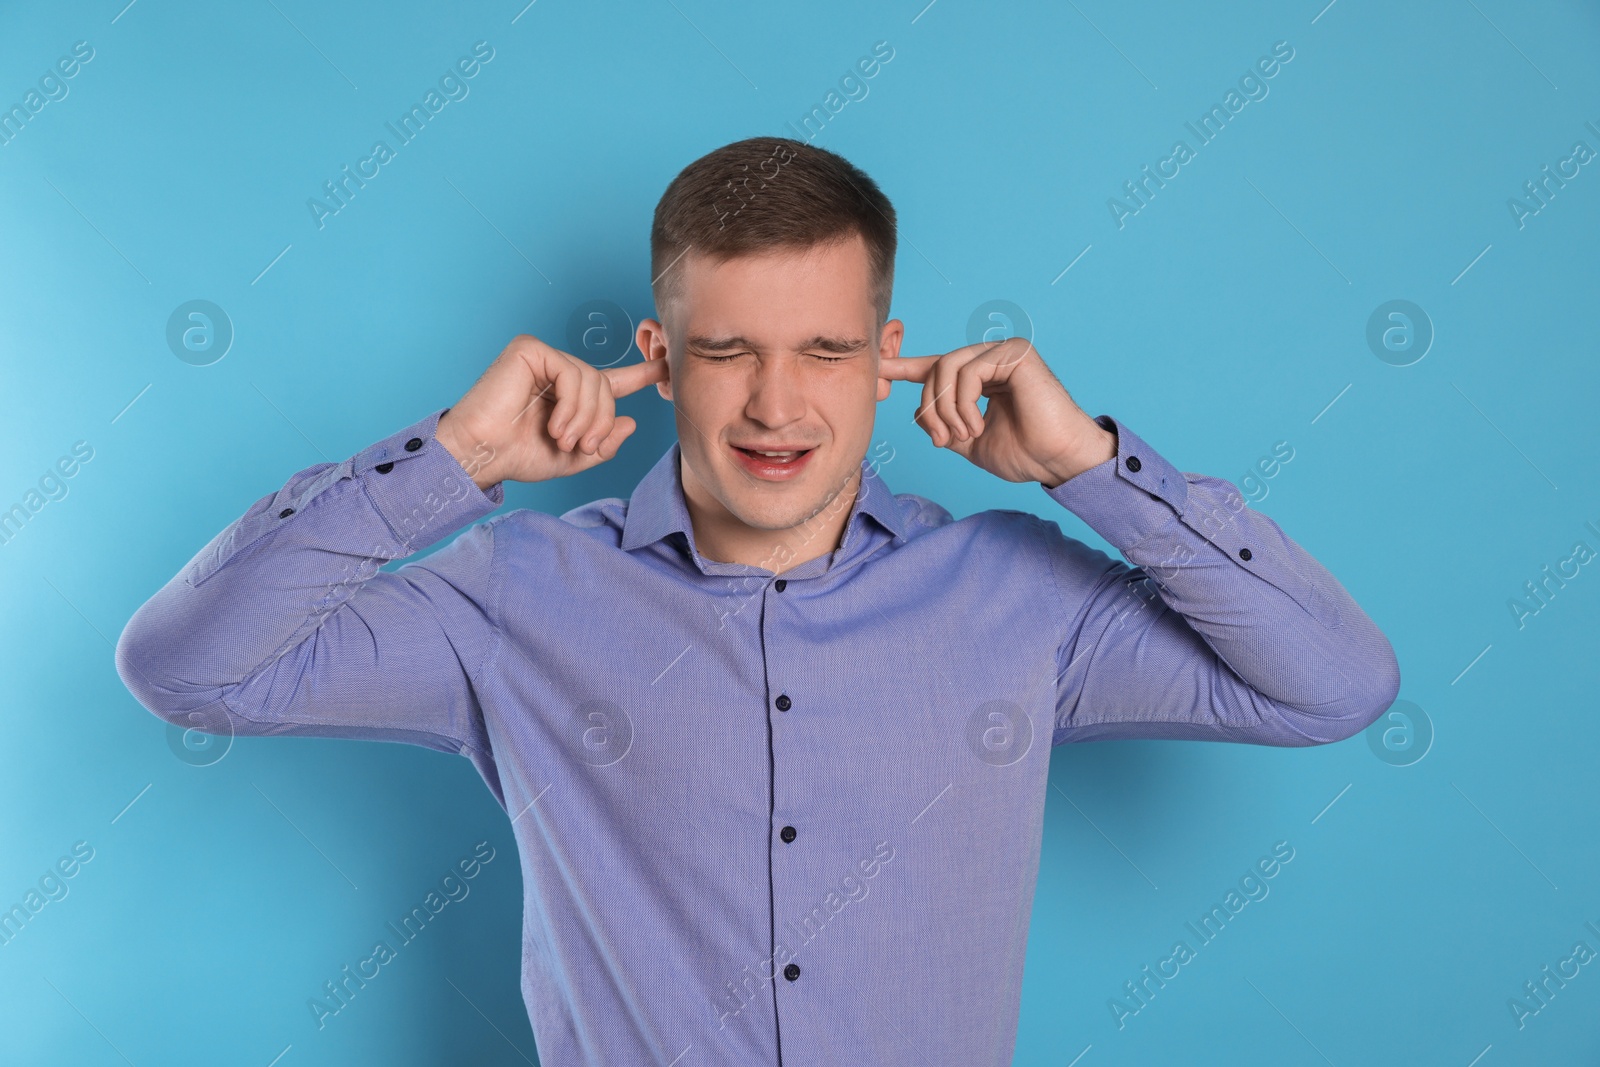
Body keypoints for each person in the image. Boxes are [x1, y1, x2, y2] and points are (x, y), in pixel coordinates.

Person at [115, 135, 1400, 1066]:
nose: (778, 407)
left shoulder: (1019, 593)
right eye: (728, 353)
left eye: (826, 351)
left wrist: (1090, 467)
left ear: (890, 356)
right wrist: (448, 459)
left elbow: (1333, 682)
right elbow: (189, 667)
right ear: (661, 362)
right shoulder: (513, 595)